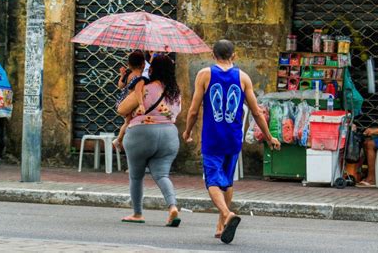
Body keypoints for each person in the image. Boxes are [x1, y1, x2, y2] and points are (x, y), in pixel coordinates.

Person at [182, 39, 280, 244]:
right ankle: (220, 226)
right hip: (233, 138)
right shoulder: (243, 77)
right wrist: (270, 137)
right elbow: (256, 112)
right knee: (227, 180)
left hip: (212, 137)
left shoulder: (204, 74)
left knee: (212, 180)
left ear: (213, 55)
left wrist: (188, 131)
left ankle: (227, 214)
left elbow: (193, 110)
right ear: (234, 56)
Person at [117, 55, 182, 227]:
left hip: (141, 133)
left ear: (153, 70)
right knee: (162, 175)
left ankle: (137, 213)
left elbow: (121, 109)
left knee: (136, 176)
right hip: (169, 135)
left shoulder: (145, 87)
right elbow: (175, 114)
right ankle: (172, 207)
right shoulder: (176, 92)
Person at [113, 51, 150, 150]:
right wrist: (141, 104)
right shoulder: (140, 79)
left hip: (121, 101)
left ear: (128, 64)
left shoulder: (128, 74)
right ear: (143, 65)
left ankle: (120, 140)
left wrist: (121, 75)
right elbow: (138, 91)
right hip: (128, 104)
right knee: (128, 122)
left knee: (128, 122)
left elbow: (120, 86)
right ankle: (119, 140)